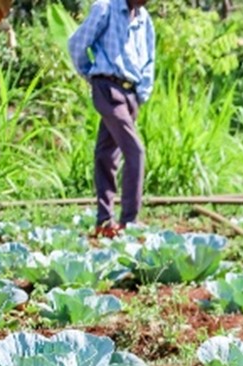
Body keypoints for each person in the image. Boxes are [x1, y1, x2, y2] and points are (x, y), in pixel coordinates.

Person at [67, 0, 155, 238]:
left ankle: (104, 221)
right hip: (107, 88)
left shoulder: (144, 19)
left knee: (106, 155)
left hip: (131, 94)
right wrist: (92, 76)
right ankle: (129, 221)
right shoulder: (105, 8)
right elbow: (77, 44)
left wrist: (141, 95)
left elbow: (149, 61)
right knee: (135, 151)